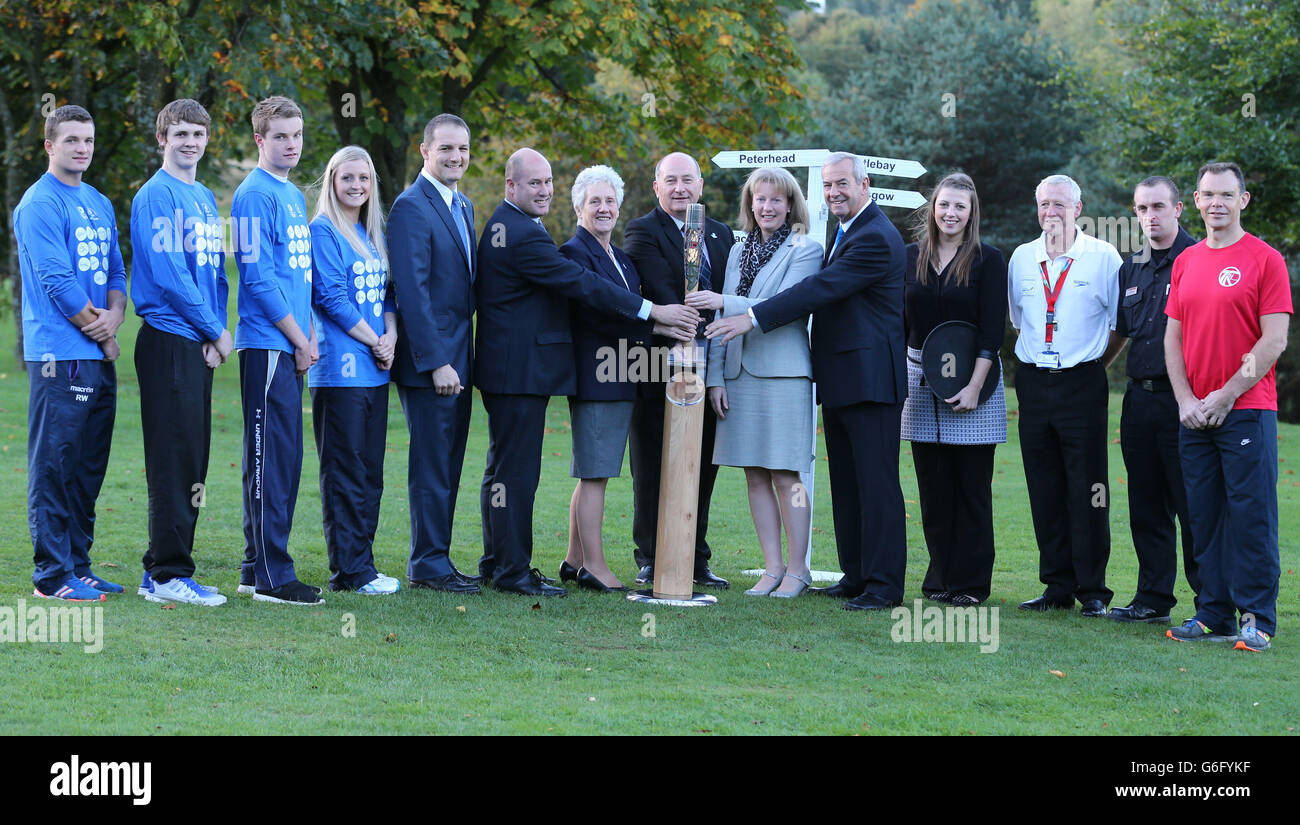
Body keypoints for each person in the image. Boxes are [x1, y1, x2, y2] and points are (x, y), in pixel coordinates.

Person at [474, 148, 697, 597]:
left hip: (534, 370)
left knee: (506, 473)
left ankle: (508, 562)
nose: (543, 190)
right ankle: (514, 571)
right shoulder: (525, 235)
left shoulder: (523, 229)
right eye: (532, 183)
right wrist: (655, 312)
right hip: (529, 371)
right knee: (517, 475)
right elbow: (584, 289)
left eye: (546, 181)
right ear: (510, 186)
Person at [706, 152, 908, 612]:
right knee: (850, 483)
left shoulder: (875, 235)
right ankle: (857, 575)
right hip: (841, 378)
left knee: (876, 484)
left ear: (864, 183)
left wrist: (751, 315)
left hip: (871, 379)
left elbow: (819, 290)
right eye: (830, 184)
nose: (835, 191)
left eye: (843, 183)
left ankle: (883, 587)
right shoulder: (847, 230)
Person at [1165, 161, 1291, 652]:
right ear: (1196, 201)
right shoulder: (1186, 260)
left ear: (1243, 201)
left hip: (1246, 408)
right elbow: (1172, 338)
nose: (1215, 202)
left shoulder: (1265, 259)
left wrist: (1225, 394)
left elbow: (1274, 339)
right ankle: (1212, 612)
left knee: (1251, 515)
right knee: (1203, 516)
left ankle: (1257, 618)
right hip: (1194, 414)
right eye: (1207, 194)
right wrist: (1185, 401)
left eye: (1226, 194)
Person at [688, 167, 821, 597]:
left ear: (791, 205)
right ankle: (772, 568)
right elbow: (723, 324)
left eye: (776, 200)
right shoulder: (738, 251)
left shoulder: (807, 249)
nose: (767, 207)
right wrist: (715, 379)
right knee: (754, 475)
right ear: (750, 204)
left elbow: (785, 306)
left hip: (784, 375)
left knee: (787, 475)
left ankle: (799, 569)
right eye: (759, 199)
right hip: (739, 375)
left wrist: (724, 300)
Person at [16, 104, 126, 602]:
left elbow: (117, 275)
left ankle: (79, 565)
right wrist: (104, 335)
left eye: (88, 140)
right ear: (49, 146)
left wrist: (117, 315)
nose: (82, 148)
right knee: (55, 466)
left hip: (97, 357)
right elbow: (58, 281)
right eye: (71, 140)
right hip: (60, 355)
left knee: (87, 468)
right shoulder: (39, 204)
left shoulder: (99, 202)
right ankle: (52, 577)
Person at [129, 98, 231, 606]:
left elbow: (213, 274)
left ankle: (161, 570)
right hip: (170, 339)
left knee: (191, 457)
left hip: (197, 341)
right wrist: (214, 329)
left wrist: (215, 334)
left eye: (197, 133)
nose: (189, 142)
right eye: (180, 133)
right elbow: (170, 276)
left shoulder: (205, 196)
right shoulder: (156, 196)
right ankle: (169, 575)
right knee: (173, 459)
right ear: (162, 138)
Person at [1007, 174, 1123, 617]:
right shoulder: (1021, 258)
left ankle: (1092, 589)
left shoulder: (1102, 257)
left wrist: (1092, 364)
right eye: (1043, 204)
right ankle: (1056, 584)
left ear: (1079, 208)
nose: (1050, 212)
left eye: (1059, 204)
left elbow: (1119, 325)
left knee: (1090, 486)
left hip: (1083, 382)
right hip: (1035, 383)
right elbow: (1020, 322)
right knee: (1044, 485)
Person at [623, 151, 735, 589]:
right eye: (670, 181)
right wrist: (688, 323)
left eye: (687, 180)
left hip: (711, 364)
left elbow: (730, 290)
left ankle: (695, 554)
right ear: (656, 187)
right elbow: (659, 288)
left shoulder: (722, 235)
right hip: (658, 363)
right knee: (653, 462)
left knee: (703, 462)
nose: (679, 188)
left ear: (701, 185)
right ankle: (651, 555)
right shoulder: (642, 231)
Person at [231, 95, 323, 605]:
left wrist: (307, 337)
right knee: (269, 460)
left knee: (286, 459)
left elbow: (299, 279)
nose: (291, 144)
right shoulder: (252, 195)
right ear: (260, 140)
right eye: (281, 136)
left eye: (297, 134)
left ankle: (254, 567)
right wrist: (298, 338)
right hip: (267, 346)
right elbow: (260, 281)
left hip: (291, 345)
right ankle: (271, 575)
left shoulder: (291, 194)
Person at [900, 172, 1007, 607]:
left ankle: (971, 585)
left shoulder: (988, 259)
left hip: (975, 383)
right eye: (944, 204)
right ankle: (940, 579)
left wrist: (974, 387)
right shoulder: (910, 257)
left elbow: (991, 329)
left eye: (959, 206)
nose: (950, 213)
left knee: (972, 490)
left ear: (971, 213)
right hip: (920, 381)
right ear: (933, 208)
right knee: (934, 488)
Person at [387, 113, 480, 595]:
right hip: (432, 364)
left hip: (460, 360)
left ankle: (438, 557)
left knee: (448, 462)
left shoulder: (461, 204)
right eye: (446, 149)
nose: (455, 157)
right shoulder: (410, 206)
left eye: (462, 149)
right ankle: (426, 562)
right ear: (425, 151)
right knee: (431, 464)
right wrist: (436, 361)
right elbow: (411, 291)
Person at [307, 145, 399, 595]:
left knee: (370, 473)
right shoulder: (323, 231)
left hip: (376, 371)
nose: (357, 186)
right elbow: (331, 298)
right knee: (344, 473)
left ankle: (364, 564)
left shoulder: (371, 231)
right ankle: (349, 571)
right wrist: (375, 339)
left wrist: (392, 338)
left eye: (364, 178)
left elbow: (387, 297)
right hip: (339, 372)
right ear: (332, 181)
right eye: (348, 178)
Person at [1108, 176, 1199, 624]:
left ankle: (1212, 605)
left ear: (1179, 209)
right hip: (1138, 402)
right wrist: (1091, 373)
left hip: (1184, 402)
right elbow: (1122, 333)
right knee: (1146, 504)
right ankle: (1152, 599)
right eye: (1142, 209)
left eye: (1159, 207)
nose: (1150, 217)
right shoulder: (1133, 266)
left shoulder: (1199, 259)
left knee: (1193, 506)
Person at [557, 165, 646, 593]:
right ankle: (595, 564)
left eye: (610, 200)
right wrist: (658, 321)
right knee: (596, 474)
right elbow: (606, 310)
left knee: (593, 472)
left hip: (622, 373)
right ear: (578, 207)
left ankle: (574, 559)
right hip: (596, 376)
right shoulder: (573, 254)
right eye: (595, 201)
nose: (604, 208)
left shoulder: (623, 259)